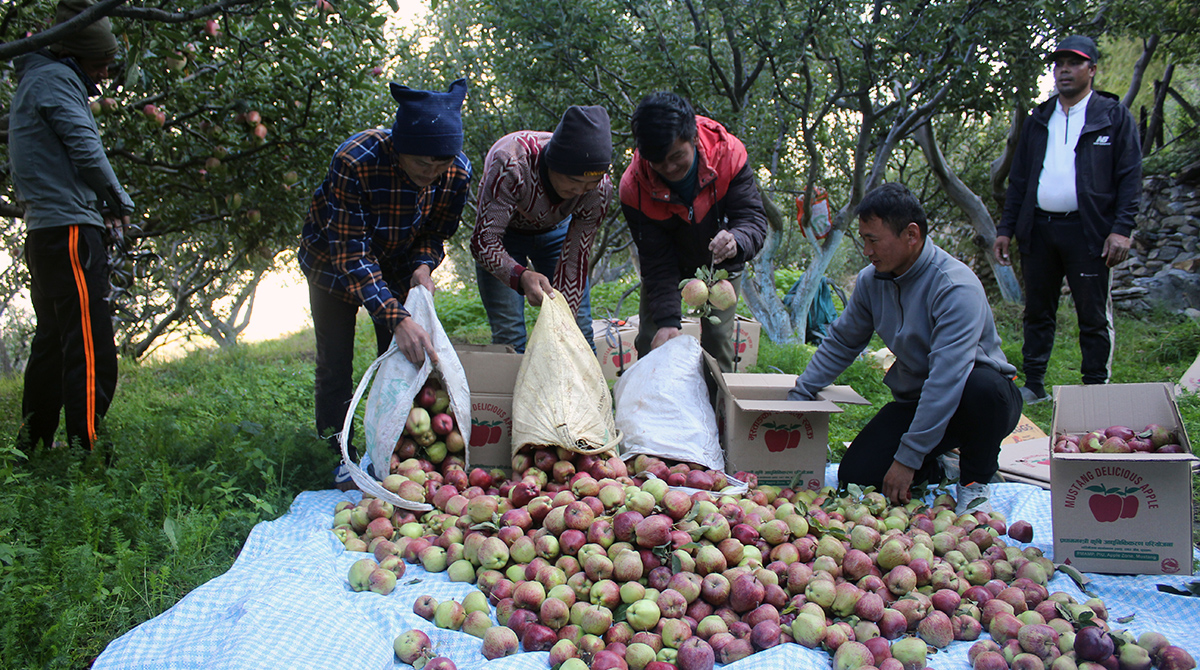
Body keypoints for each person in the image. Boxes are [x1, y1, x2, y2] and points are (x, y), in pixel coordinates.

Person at [787, 183, 1022, 513]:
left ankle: (974, 481)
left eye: (873, 240)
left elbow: (947, 379)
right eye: (863, 239)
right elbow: (843, 341)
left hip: (976, 399)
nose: (866, 251)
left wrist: (907, 458)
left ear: (911, 235)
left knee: (984, 389)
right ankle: (941, 468)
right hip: (920, 400)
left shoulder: (955, 287)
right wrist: (801, 393)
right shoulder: (873, 281)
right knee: (857, 475)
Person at [299, 79, 471, 488]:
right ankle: (337, 449)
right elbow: (351, 254)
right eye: (422, 165)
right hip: (332, 263)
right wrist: (397, 316)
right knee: (335, 362)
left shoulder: (456, 172)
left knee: (402, 361)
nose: (431, 175)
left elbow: (433, 233)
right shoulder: (355, 161)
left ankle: (395, 449)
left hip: (396, 264)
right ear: (398, 148)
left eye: (440, 166)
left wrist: (423, 266)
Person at [12, 0, 135, 452]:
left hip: (44, 231)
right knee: (89, 343)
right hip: (68, 231)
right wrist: (119, 201)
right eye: (100, 64)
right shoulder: (58, 83)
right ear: (75, 56)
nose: (104, 74)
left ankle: (33, 444)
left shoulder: (35, 81)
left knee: (52, 340)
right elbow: (85, 150)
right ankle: (89, 446)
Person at [995, 35, 1142, 404]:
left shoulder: (1112, 116)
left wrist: (1121, 229)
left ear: (1092, 69)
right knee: (1037, 311)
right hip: (1040, 230)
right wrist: (1006, 229)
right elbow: (1021, 180)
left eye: (1074, 63)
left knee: (1092, 314)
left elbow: (1130, 176)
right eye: (1059, 63)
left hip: (1088, 231)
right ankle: (1035, 384)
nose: (1064, 69)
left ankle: (1095, 389)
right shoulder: (1039, 118)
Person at [471, 106, 613, 352]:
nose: (580, 192)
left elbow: (575, 258)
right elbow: (484, 241)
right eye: (574, 182)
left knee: (578, 328)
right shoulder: (511, 164)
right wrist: (521, 276)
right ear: (552, 164)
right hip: (503, 236)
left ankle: (582, 390)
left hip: (556, 233)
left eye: (589, 184)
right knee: (510, 333)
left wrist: (566, 320)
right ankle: (510, 390)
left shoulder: (599, 189)